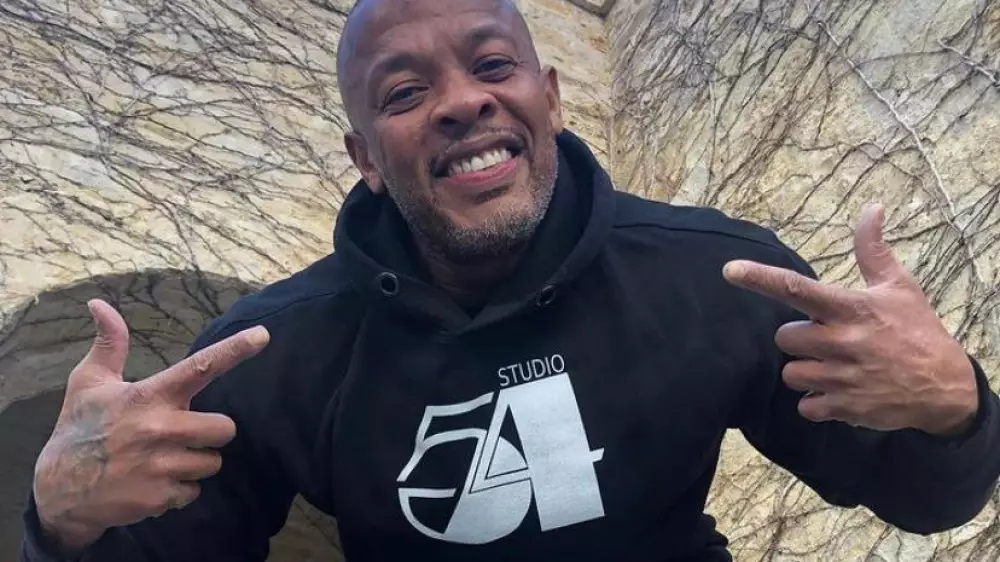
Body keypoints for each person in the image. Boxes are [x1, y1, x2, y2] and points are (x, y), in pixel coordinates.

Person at [19, 0, 1000, 560]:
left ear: (550, 99)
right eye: (406, 91)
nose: (462, 103)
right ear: (365, 157)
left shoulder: (718, 276)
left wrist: (955, 407)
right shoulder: (273, 353)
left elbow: (924, 501)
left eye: (492, 64)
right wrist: (61, 519)